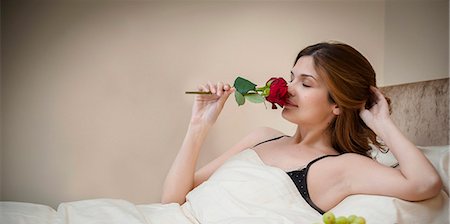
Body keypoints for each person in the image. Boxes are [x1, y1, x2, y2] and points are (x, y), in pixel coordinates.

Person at [161, 42, 442, 214]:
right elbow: (173, 200)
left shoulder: (341, 167)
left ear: (338, 104)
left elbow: (425, 183)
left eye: (306, 84)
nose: (289, 89)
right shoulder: (262, 138)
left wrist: (382, 123)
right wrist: (198, 126)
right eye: (291, 78)